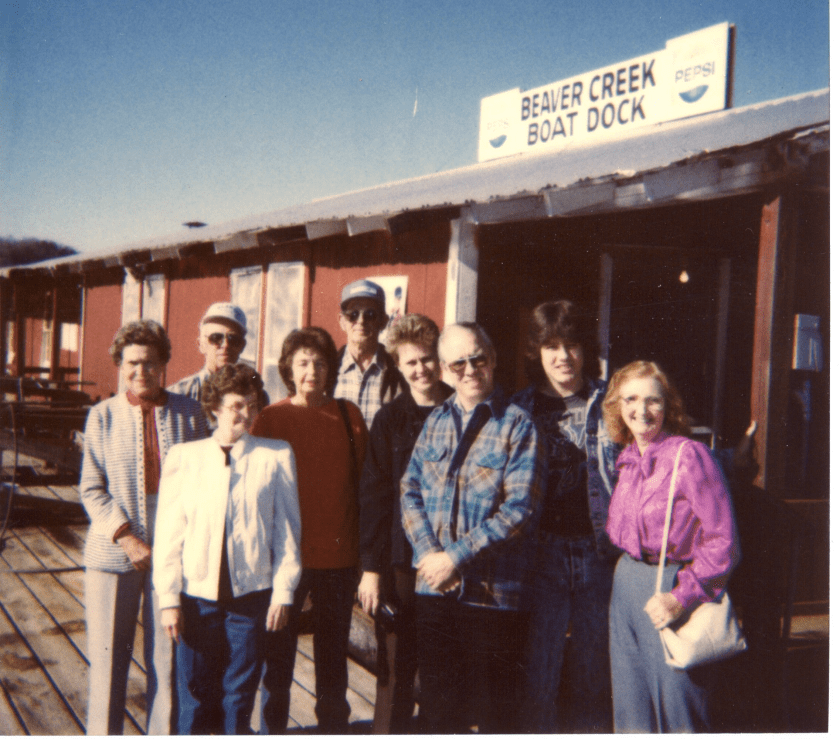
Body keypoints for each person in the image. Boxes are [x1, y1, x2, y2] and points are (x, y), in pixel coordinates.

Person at [400, 323, 544, 733]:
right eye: (457, 363)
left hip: (492, 597)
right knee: (438, 713)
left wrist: (454, 559)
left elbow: (520, 511)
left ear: (493, 359)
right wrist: (430, 555)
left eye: (477, 359)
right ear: (444, 371)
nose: (469, 370)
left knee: (493, 717)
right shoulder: (436, 421)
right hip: (434, 591)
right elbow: (409, 489)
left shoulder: (519, 425)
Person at [153, 364, 301, 734]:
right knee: (195, 693)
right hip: (196, 598)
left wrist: (283, 592)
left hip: (250, 598)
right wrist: (168, 599)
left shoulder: (275, 455)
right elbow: (169, 535)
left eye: (252, 405)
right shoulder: (185, 457)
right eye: (237, 405)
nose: (245, 414)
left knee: (239, 693)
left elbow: (286, 532)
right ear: (215, 406)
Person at [79, 319, 208, 735]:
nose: (141, 371)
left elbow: (203, 482)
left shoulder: (190, 413)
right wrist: (126, 537)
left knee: (166, 660)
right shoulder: (101, 416)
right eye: (132, 362)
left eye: (150, 362)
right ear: (120, 365)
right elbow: (91, 488)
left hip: (174, 554)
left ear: (164, 363)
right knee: (107, 660)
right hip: (114, 550)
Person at [603, 360, 740, 733]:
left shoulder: (689, 455)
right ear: (617, 406)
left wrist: (682, 597)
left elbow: (723, 541)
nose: (642, 410)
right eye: (631, 399)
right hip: (627, 584)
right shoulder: (628, 458)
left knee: (678, 709)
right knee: (631, 711)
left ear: (668, 406)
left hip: (673, 586)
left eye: (653, 400)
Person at [512, 300, 620, 732]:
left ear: (585, 348)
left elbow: (660, 451)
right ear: (536, 352)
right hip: (539, 555)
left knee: (594, 670)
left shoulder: (611, 400)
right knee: (539, 671)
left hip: (598, 552)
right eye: (551, 346)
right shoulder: (517, 408)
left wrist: (728, 460)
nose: (563, 356)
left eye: (572, 344)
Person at [253, 327, 368, 734]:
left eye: (320, 363)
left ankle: (332, 728)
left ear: (331, 369)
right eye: (302, 363)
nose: (312, 371)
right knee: (278, 656)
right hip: (286, 559)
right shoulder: (271, 418)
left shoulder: (348, 415)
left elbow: (363, 485)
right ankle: (273, 729)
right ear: (288, 369)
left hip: (337, 557)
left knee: (333, 658)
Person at [357, 314, 452, 733]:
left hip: (450, 560)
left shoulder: (462, 408)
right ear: (398, 365)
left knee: (441, 668)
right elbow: (374, 498)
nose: (421, 369)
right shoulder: (389, 419)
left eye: (427, 359)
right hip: (400, 563)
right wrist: (371, 569)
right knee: (395, 669)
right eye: (410, 362)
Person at [333, 278, 406, 427]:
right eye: (353, 314)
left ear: (383, 321)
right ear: (342, 321)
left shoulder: (399, 371)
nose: (361, 321)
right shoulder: (328, 370)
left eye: (370, 314)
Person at [168, 302, 249, 401]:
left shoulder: (253, 396)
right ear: (201, 345)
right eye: (216, 337)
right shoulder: (179, 395)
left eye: (233, 339)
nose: (225, 345)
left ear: (242, 346)